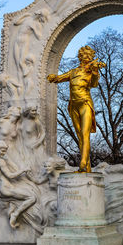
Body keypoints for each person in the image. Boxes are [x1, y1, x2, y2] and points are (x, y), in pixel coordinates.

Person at [47, 45, 105, 173]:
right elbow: (59, 78)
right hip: (73, 105)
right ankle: (87, 168)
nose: (88, 57)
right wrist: (53, 77)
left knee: (85, 134)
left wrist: (95, 71)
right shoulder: (73, 72)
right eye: (85, 55)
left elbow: (94, 84)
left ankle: (83, 164)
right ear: (81, 57)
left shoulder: (91, 71)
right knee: (79, 135)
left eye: (90, 56)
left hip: (85, 103)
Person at [0, 140, 34, 229]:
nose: (4, 153)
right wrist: (23, 170)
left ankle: (12, 207)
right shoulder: (0, 162)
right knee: (32, 198)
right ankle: (14, 215)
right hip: (6, 188)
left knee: (19, 196)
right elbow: (10, 175)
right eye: (2, 151)